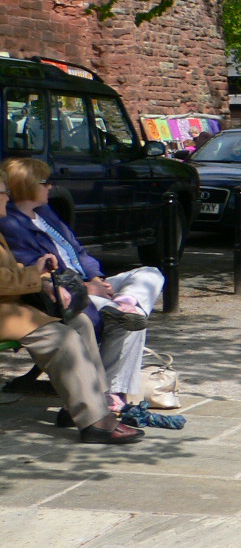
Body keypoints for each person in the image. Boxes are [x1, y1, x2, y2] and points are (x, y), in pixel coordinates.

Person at [1, 158, 162, 398]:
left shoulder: (45, 213)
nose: (50, 187)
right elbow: (42, 272)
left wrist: (96, 278)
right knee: (129, 325)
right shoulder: (12, 224)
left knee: (150, 274)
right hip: (66, 292)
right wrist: (86, 288)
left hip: (89, 285)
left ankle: (128, 302)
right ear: (27, 185)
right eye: (45, 182)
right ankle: (111, 394)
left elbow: (78, 250)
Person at [0, 213, 142, 444]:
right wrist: (35, 278)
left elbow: (7, 268)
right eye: (4, 192)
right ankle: (95, 421)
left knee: (79, 322)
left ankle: (94, 401)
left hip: (10, 308)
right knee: (62, 339)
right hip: (7, 312)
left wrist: (41, 275)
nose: (8, 197)